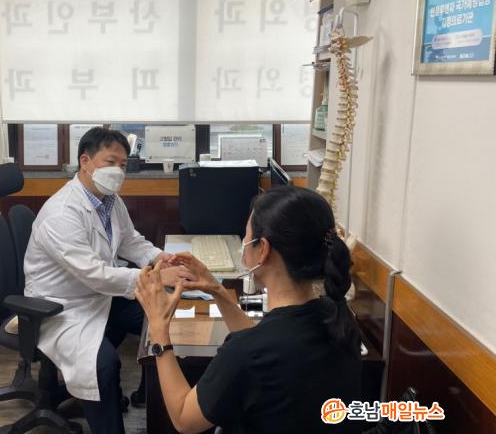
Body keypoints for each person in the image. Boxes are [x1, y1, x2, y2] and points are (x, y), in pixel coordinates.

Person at [135, 186, 362, 434]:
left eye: (246, 236)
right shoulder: (337, 316)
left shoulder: (247, 352)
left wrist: (158, 329)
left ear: (263, 249)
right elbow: (261, 348)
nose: (243, 243)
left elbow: (183, 419)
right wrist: (217, 290)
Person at [23, 127, 192, 434]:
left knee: (160, 311)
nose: (118, 171)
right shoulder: (61, 213)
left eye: (123, 164)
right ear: (85, 161)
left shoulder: (109, 200)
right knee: (103, 364)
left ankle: (153, 397)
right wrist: (154, 276)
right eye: (110, 162)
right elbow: (94, 274)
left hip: (98, 296)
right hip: (62, 308)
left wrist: (159, 258)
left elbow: (130, 240)